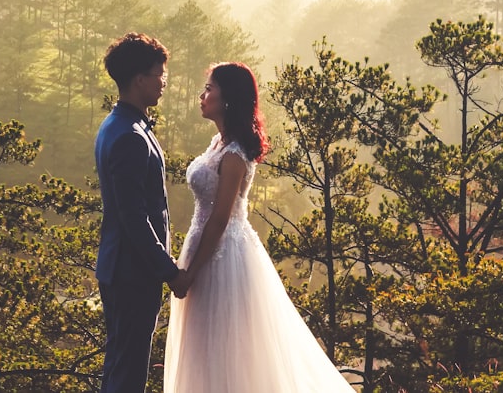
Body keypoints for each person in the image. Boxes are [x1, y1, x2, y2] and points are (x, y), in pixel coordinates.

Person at [163, 62, 356, 392]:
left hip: (222, 258)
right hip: (203, 249)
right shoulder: (218, 143)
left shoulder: (235, 154)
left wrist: (191, 273)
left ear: (228, 99)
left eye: (209, 88)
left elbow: (221, 219)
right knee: (203, 348)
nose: (202, 95)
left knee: (225, 350)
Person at [95, 32, 191, 393]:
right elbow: (134, 217)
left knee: (121, 363)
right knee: (129, 371)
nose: (163, 82)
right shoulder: (131, 136)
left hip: (121, 268)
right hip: (131, 273)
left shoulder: (116, 125)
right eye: (159, 75)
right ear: (139, 80)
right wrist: (169, 272)